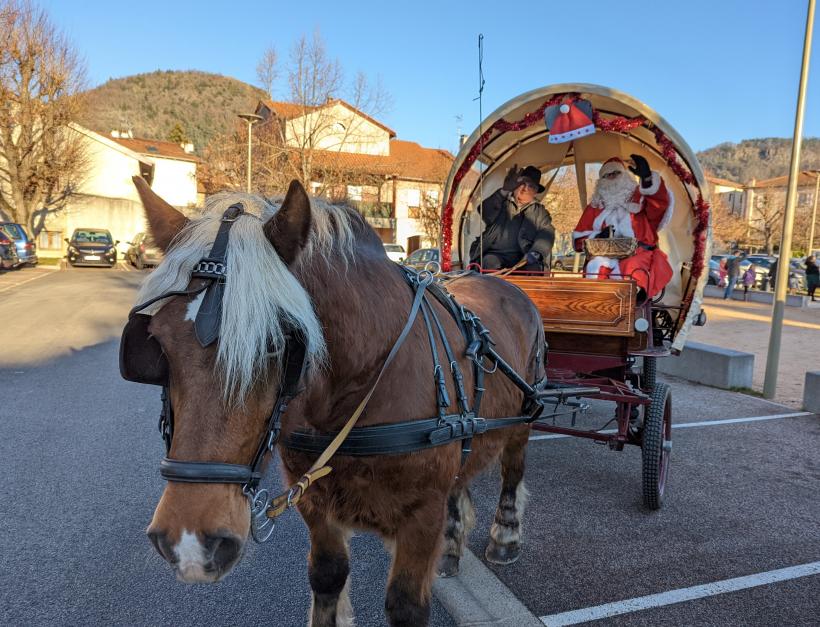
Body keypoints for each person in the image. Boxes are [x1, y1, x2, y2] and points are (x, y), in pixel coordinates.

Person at [572, 154, 673, 299]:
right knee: (595, 266)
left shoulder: (641, 200)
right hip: (604, 254)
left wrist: (647, 179)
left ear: (625, 175)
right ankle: (597, 309)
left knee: (631, 268)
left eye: (616, 173)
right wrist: (597, 237)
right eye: (607, 175)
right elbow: (578, 241)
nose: (612, 177)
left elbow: (659, 205)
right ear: (601, 181)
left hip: (639, 254)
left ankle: (633, 309)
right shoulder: (594, 207)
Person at [469, 164, 555, 272]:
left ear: (535, 192)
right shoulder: (501, 201)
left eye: (531, 186)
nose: (525, 189)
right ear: (515, 184)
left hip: (524, 257)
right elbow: (485, 212)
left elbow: (547, 232)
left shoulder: (540, 212)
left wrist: (537, 252)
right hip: (496, 254)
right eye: (522, 183)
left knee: (534, 268)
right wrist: (504, 190)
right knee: (488, 261)